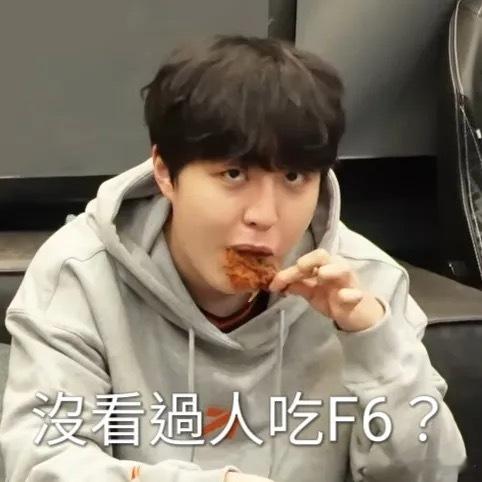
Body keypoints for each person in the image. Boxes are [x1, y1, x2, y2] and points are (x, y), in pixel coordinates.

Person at [0, 35, 466, 482]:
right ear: (165, 172)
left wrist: (373, 342)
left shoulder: (364, 285)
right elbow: (42, 466)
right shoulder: (80, 273)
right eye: (233, 174)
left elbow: (430, 474)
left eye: (293, 177)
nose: (264, 215)